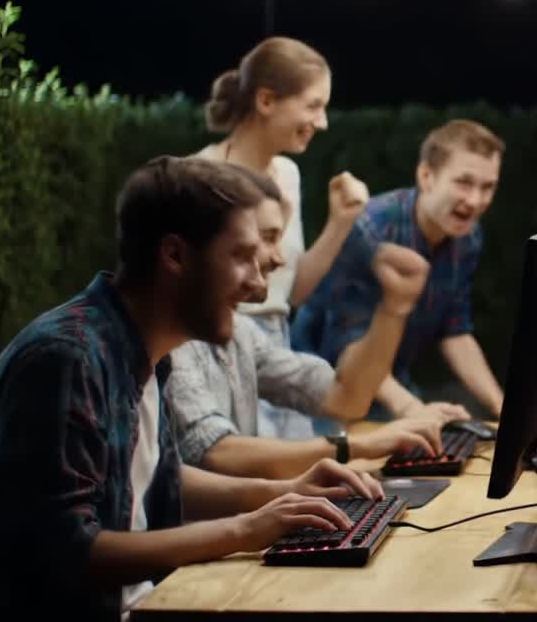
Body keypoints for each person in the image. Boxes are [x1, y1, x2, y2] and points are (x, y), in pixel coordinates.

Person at [0, 156, 383, 621]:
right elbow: (67, 550)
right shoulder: (68, 358)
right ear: (175, 255)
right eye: (241, 258)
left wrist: (283, 492)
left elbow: (158, 478)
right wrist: (244, 530)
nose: (259, 285)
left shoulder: (142, 350)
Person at [165, 168, 470, 480]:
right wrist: (358, 445)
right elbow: (216, 454)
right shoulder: (171, 342)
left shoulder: (240, 332)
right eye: (268, 238)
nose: (280, 258)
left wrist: (394, 308)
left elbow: (346, 398)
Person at [199, 36, 370, 440]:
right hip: (224, 350)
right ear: (266, 101)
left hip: (281, 346)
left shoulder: (288, 176)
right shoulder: (199, 178)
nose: (323, 122)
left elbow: (289, 294)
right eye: (314, 106)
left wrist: (341, 221)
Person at [292, 119, 506, 422]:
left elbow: (455, 330)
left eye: (488, 187)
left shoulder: (467, 237)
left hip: (388, 381)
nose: (475, 200)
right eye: (464, 183)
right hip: (319, 388)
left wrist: (503, 408)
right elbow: (347, 346)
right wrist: (412, 411)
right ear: (426, 176)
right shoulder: (369, 229)